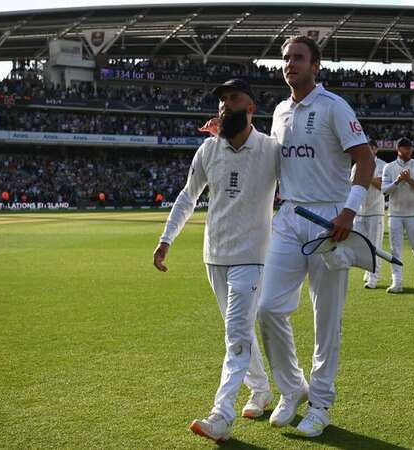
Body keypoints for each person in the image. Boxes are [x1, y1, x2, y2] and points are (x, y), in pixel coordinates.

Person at [255, 35, 375, 438]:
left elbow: (366, 157)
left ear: (315, 65)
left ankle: (321, 403)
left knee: (327, 318)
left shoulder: (333, 107)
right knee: (267, 308)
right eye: (286, 58)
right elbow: (272, 159)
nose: (290, 64)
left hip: (329, 217)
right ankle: (293, 389)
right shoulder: (279, 110)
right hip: (288, 216)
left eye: (298, 58)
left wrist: (348, 210)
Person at [153, 79, 278, 443]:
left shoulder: (271, 149)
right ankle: (262, 390)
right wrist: (166, 239)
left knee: (235, 333)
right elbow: (187, 196)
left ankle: (221, 416)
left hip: (252, 256)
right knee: (239, 331)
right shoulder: (208, 150)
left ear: (251, 107)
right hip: (214, 256)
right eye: (222, 100)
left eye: (233, 98)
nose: (225, 104)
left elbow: (296, 190)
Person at [381, 138, 414, 293]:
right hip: (395, 214)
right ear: (398, 149)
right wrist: (398, 181)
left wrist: (408, 180)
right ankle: (397, 281)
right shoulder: (389, 167)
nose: (409, 151)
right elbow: (384, 190)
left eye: (410, 148)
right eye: (406, 148)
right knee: (396, 249)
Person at [351, 140, 386, 288]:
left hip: (375, 211)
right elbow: (352, 185)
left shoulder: (383, 165)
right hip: (359, 212)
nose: (368, 150)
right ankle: (368, 271)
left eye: (371, 148)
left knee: (375, 246)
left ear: (376, 150)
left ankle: (374, 277)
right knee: (360, 244)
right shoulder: (357, 165)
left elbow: (383, 186)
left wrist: (367, 178)